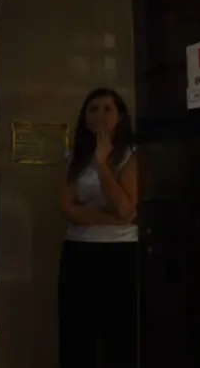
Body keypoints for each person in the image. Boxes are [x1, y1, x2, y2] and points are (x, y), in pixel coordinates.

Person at [58, 87, 139, 368]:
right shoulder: (74, 157)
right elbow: (67, 208)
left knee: (120, 336)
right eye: (93, 109)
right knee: (77, 336)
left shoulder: (129, 155)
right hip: (79, 251)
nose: (100, 115)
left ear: (120, 116)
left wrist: (102, 164)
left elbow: (126, 209)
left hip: (120, 253)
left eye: (107, 109)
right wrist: (113, 216)